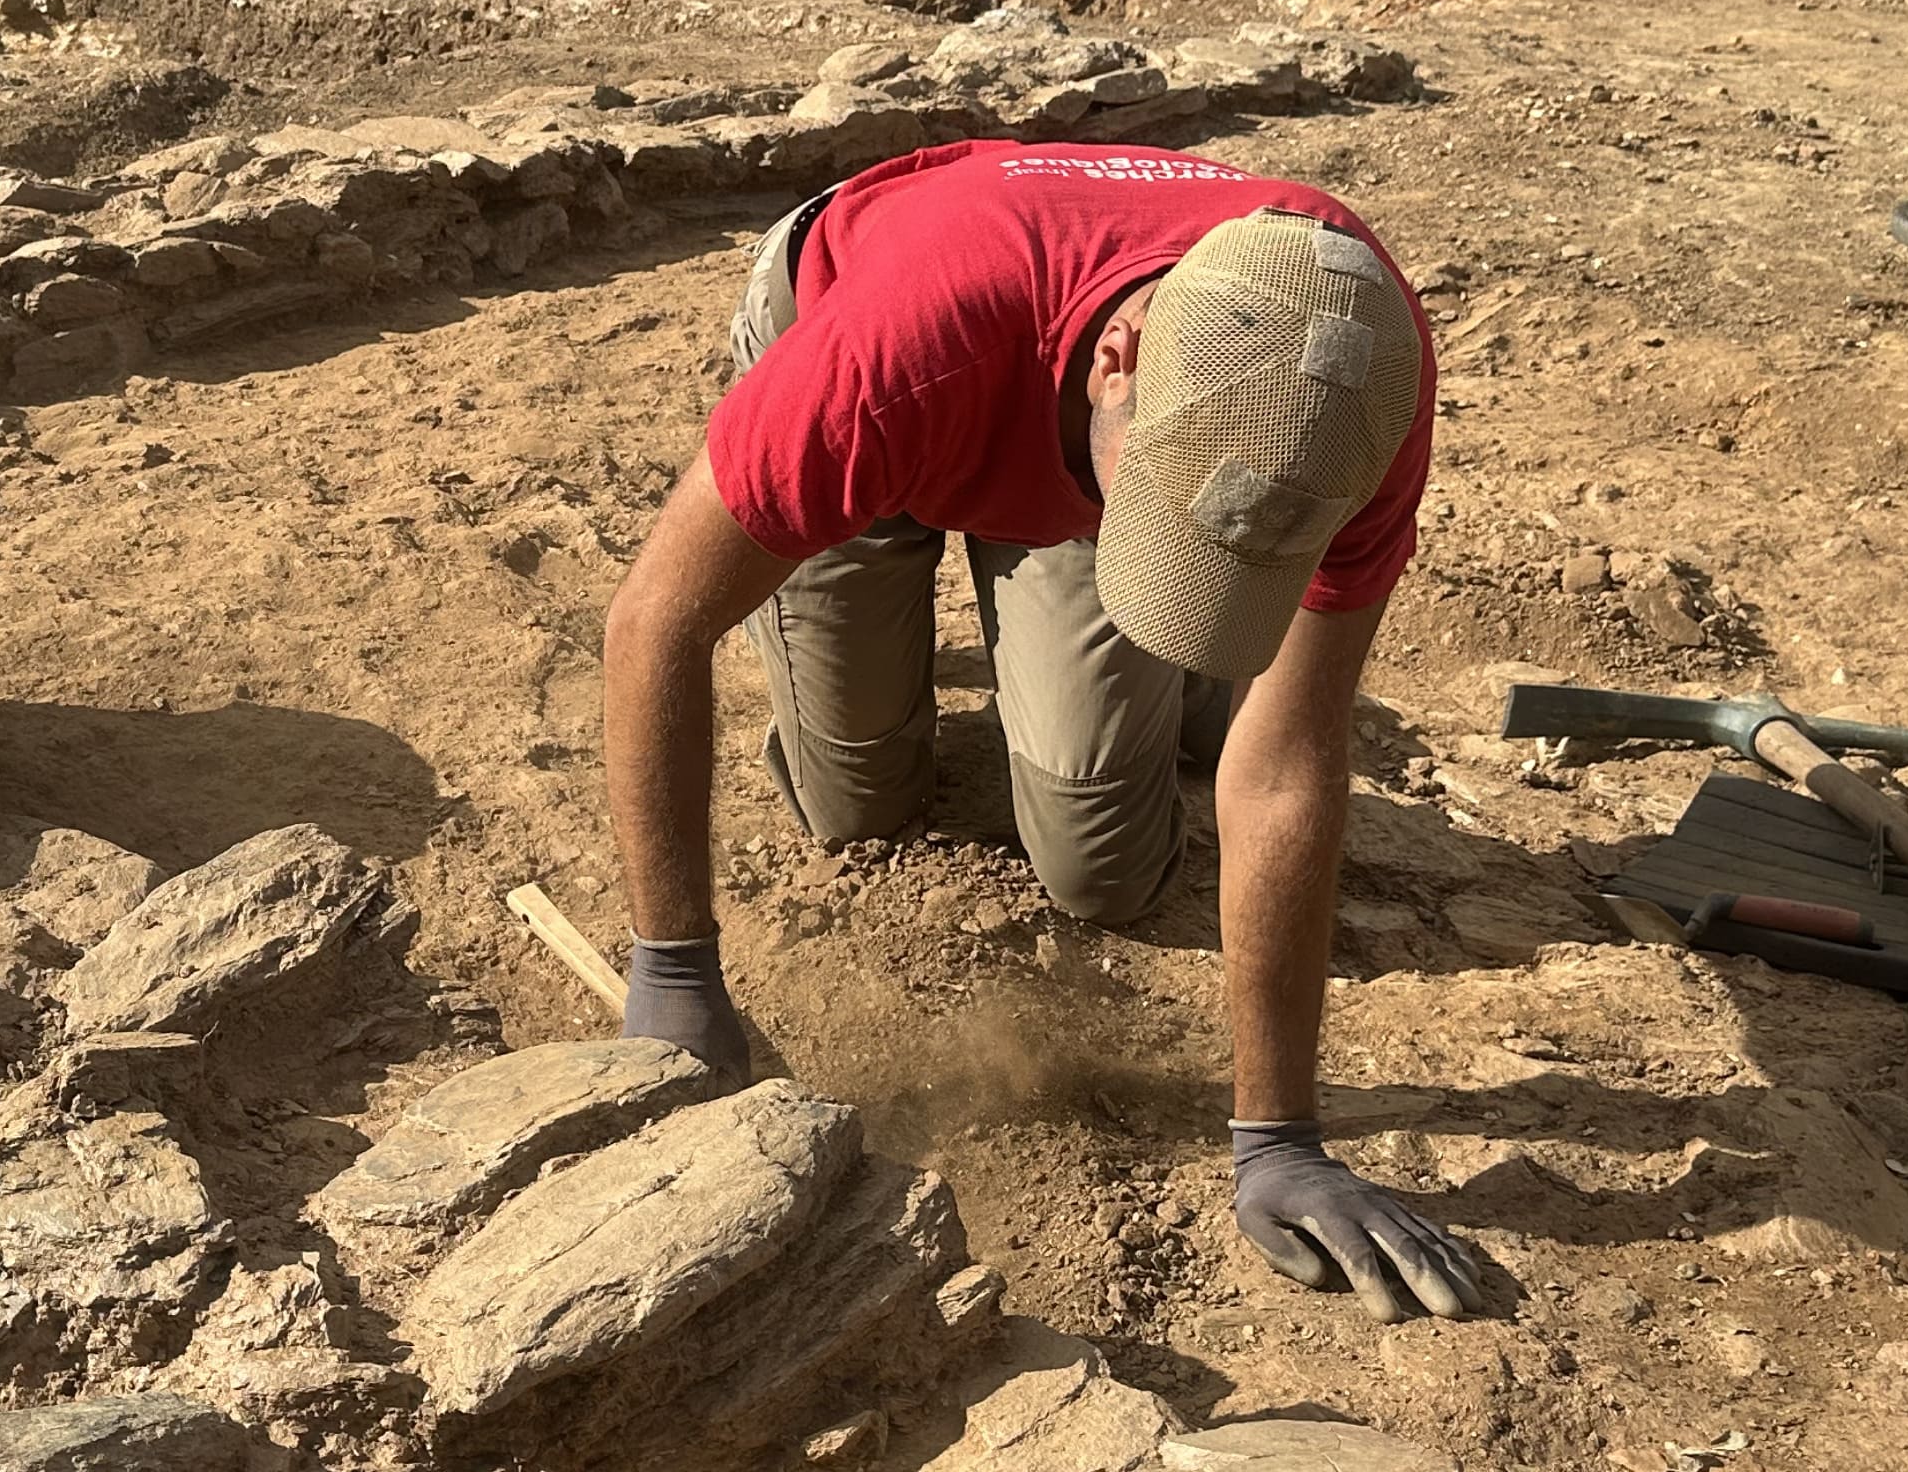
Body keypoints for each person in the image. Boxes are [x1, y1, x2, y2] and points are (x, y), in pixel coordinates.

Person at [600, 136, 1489, 1321]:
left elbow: (1287, 765)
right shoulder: (884, 358)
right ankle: (936, 578)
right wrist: (672, 968)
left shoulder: (1353, 378)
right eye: (1177, 521)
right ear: (1117, 360)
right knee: (858, 800)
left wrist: (1278, 1135)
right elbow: (655, 623)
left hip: (1074, 441)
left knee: (1103, 864)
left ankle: (1150, 623)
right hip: (913, 376)